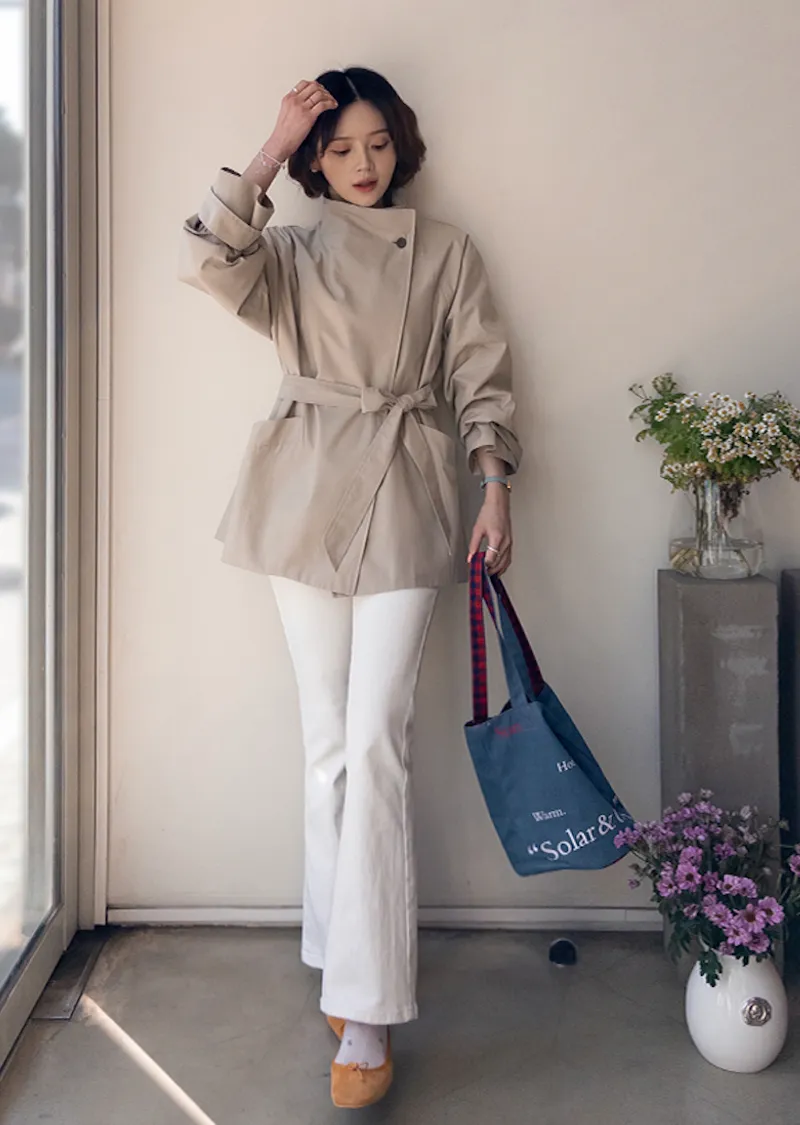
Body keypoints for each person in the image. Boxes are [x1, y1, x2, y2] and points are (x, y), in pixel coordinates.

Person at [180, 66, 522, 1109]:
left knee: (376, 740)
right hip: (301, 493)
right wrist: (270, 146)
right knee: (327, 742)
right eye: (338, 147)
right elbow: (204, 257)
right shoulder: (287, 251)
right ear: (315, 161)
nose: (363, 163)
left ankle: (368, 1012)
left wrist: (494, 486)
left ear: (399, 144)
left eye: (376, 142)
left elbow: (482, 375)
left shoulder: (446, 251)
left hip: (408, 490)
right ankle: (337, 957)